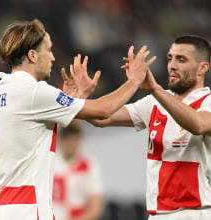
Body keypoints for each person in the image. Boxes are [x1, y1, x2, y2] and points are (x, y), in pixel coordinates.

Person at [0, 19, 155, 220]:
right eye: (48, 50)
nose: (52, 57)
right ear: (32, 55)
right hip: (29, 209)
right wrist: (134, 81)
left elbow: (31, 133)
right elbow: (103, 110)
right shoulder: (34, 92)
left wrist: (73, 99)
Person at [81, 35, 211, 220]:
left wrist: (155, 89)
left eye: (181, 59)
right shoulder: (154, 103)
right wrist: (80, 98)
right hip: (157, 214)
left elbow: (199, 125)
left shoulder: (207, 102)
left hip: (195, 212)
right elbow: (102, 118)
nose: (172, 65)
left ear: (202, 68)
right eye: (170, 58)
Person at [53, 123, 103, 220]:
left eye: (76, 140)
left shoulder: (88, 165)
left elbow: (96, 207)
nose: (74, 145)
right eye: (70, 140)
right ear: (62, 140)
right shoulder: (50, 162)